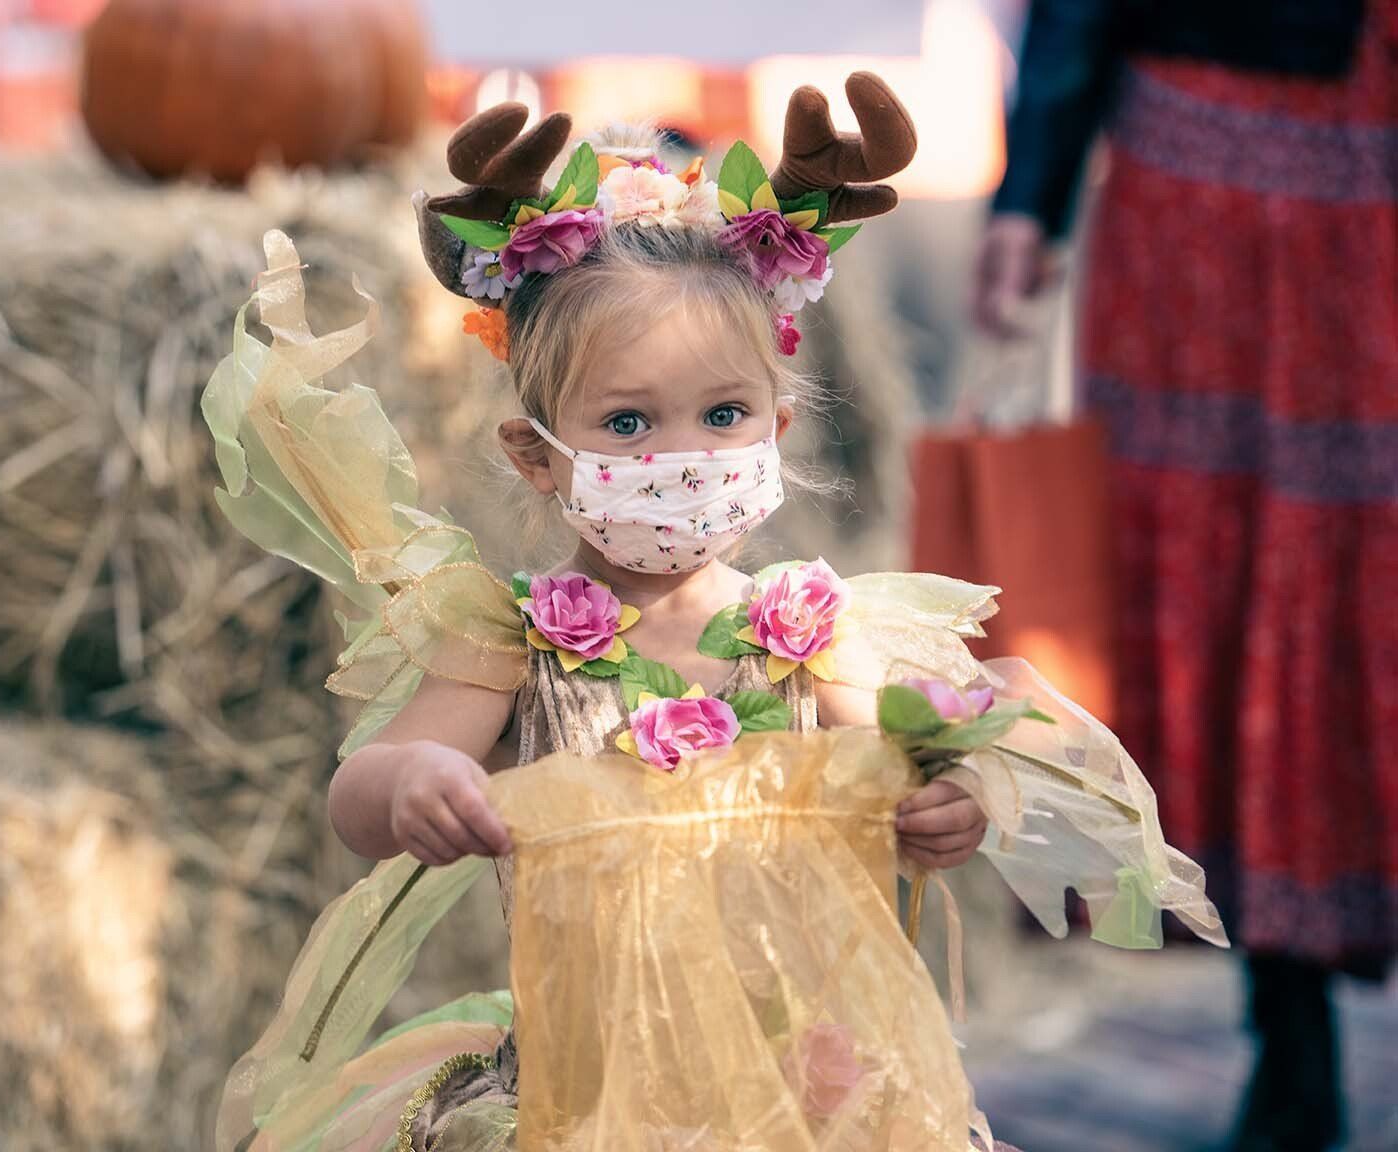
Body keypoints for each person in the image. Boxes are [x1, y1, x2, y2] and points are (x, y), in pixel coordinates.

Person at [207, 73, 1223, 1152]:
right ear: (535, 457)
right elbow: (358, 797)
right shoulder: (513, 641)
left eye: (723, 415)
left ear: (778, 426)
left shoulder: (810, 636)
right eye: (630, 422)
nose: (684, 457)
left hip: (800, 1090)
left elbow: (917, 776)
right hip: (583, 1089)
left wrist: (946, 809)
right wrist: (411, 783)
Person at [976, 3, 1395, 1149]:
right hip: (1177, 180)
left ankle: (1295, 1045)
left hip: (1361, 165)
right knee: (1211, 585)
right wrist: (1029, 196)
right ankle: (1289, 1032)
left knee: (1349, 571)